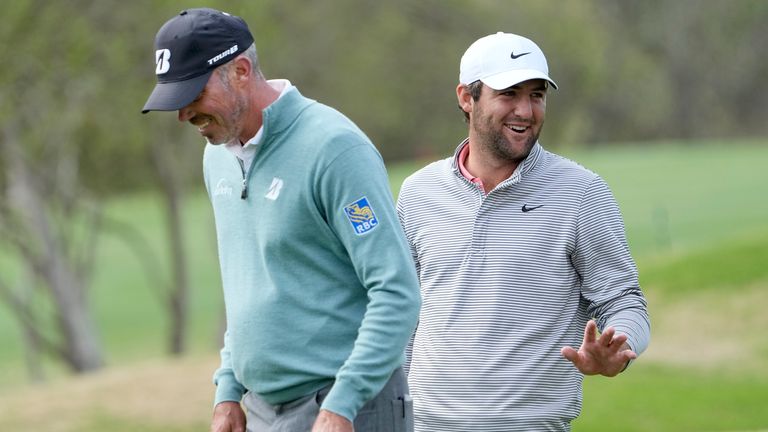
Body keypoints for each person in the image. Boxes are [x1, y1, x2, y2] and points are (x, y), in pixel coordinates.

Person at [142, 8, 420, 432]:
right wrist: (229, 391)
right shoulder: (216, 156)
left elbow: (397, 292)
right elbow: (249, 290)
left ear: (239, 71)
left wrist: (344, 403)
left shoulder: (335, 149)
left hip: (349, 407)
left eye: (193, 96)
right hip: (262, 410)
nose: (183, 115)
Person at [396, 32, 651, 431]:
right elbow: (402, 312)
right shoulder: (418, 193)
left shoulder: (581, 192)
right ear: (467, 97)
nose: (526, 111)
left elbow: (625, 300)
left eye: (536, 95)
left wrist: (619, 348)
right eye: (509, 94)